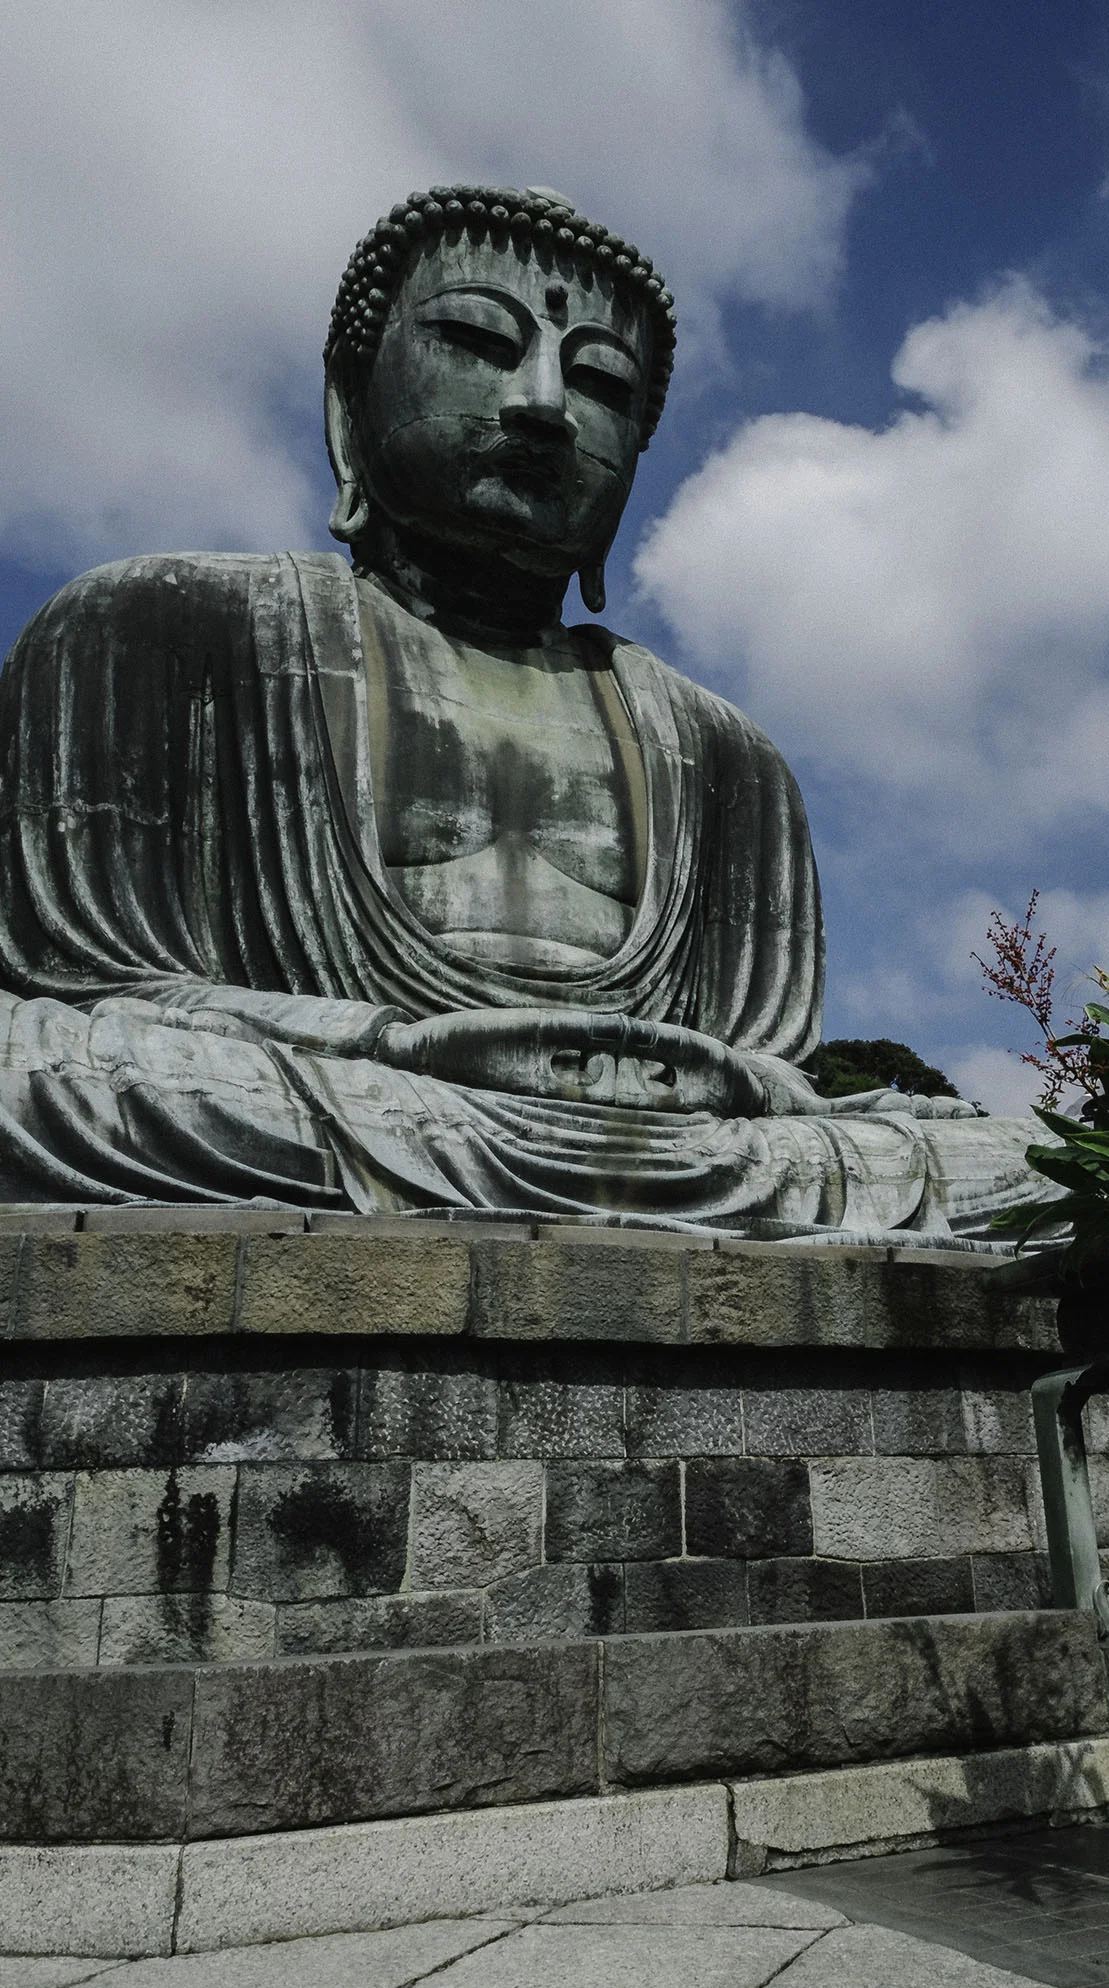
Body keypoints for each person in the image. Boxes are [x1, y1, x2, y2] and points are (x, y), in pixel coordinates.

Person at [0, 184, 1034, 1234]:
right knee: (27, 1073)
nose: (544, 404)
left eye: (600, 381)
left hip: (667, 1149)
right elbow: (90, 990)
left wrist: (719, 1087)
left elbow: (768, 1075)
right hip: (337, 1098)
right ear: (348, 403)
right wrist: (387, 1045)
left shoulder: (728, 755)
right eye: (477, 340)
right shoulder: (156, 625)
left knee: (1022, 1162)